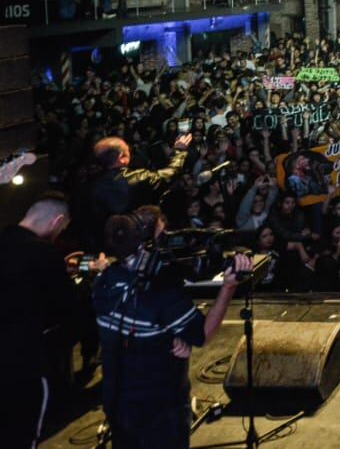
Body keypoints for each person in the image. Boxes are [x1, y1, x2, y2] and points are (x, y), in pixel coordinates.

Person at [93, 206, 252, 449]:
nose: (167, 239)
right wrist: (228, 287)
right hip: (160, 409)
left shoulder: (103, 283)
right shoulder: (162, 295)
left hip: (117, 402)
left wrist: (171, 336)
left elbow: (134, 325)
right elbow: (202, 334)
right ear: (146, 241)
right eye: (162, 234)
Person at [0, 194, 86, 449]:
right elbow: (66, 309)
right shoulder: (44, 252)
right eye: (62, 229)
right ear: (57, 221)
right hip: (22, 366)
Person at [90, 133, 192, 248]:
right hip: (137, 243)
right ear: (121, 158)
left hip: (103, 246)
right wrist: (179, 151)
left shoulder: (87, 183)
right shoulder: (137, 178)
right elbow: (169, 175)